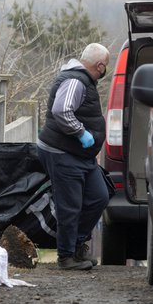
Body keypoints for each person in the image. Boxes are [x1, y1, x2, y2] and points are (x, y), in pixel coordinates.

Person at [37, 43, 110, 270]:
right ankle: (66, 256)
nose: (105, 70)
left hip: (80, 156)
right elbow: (61, 110)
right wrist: (81, 133)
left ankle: (77, 244)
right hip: (63, 152)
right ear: (99, 65)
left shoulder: (84, 80)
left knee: (99, 196)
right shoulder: (75, 81)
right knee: (70, 205)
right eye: (105, 66)